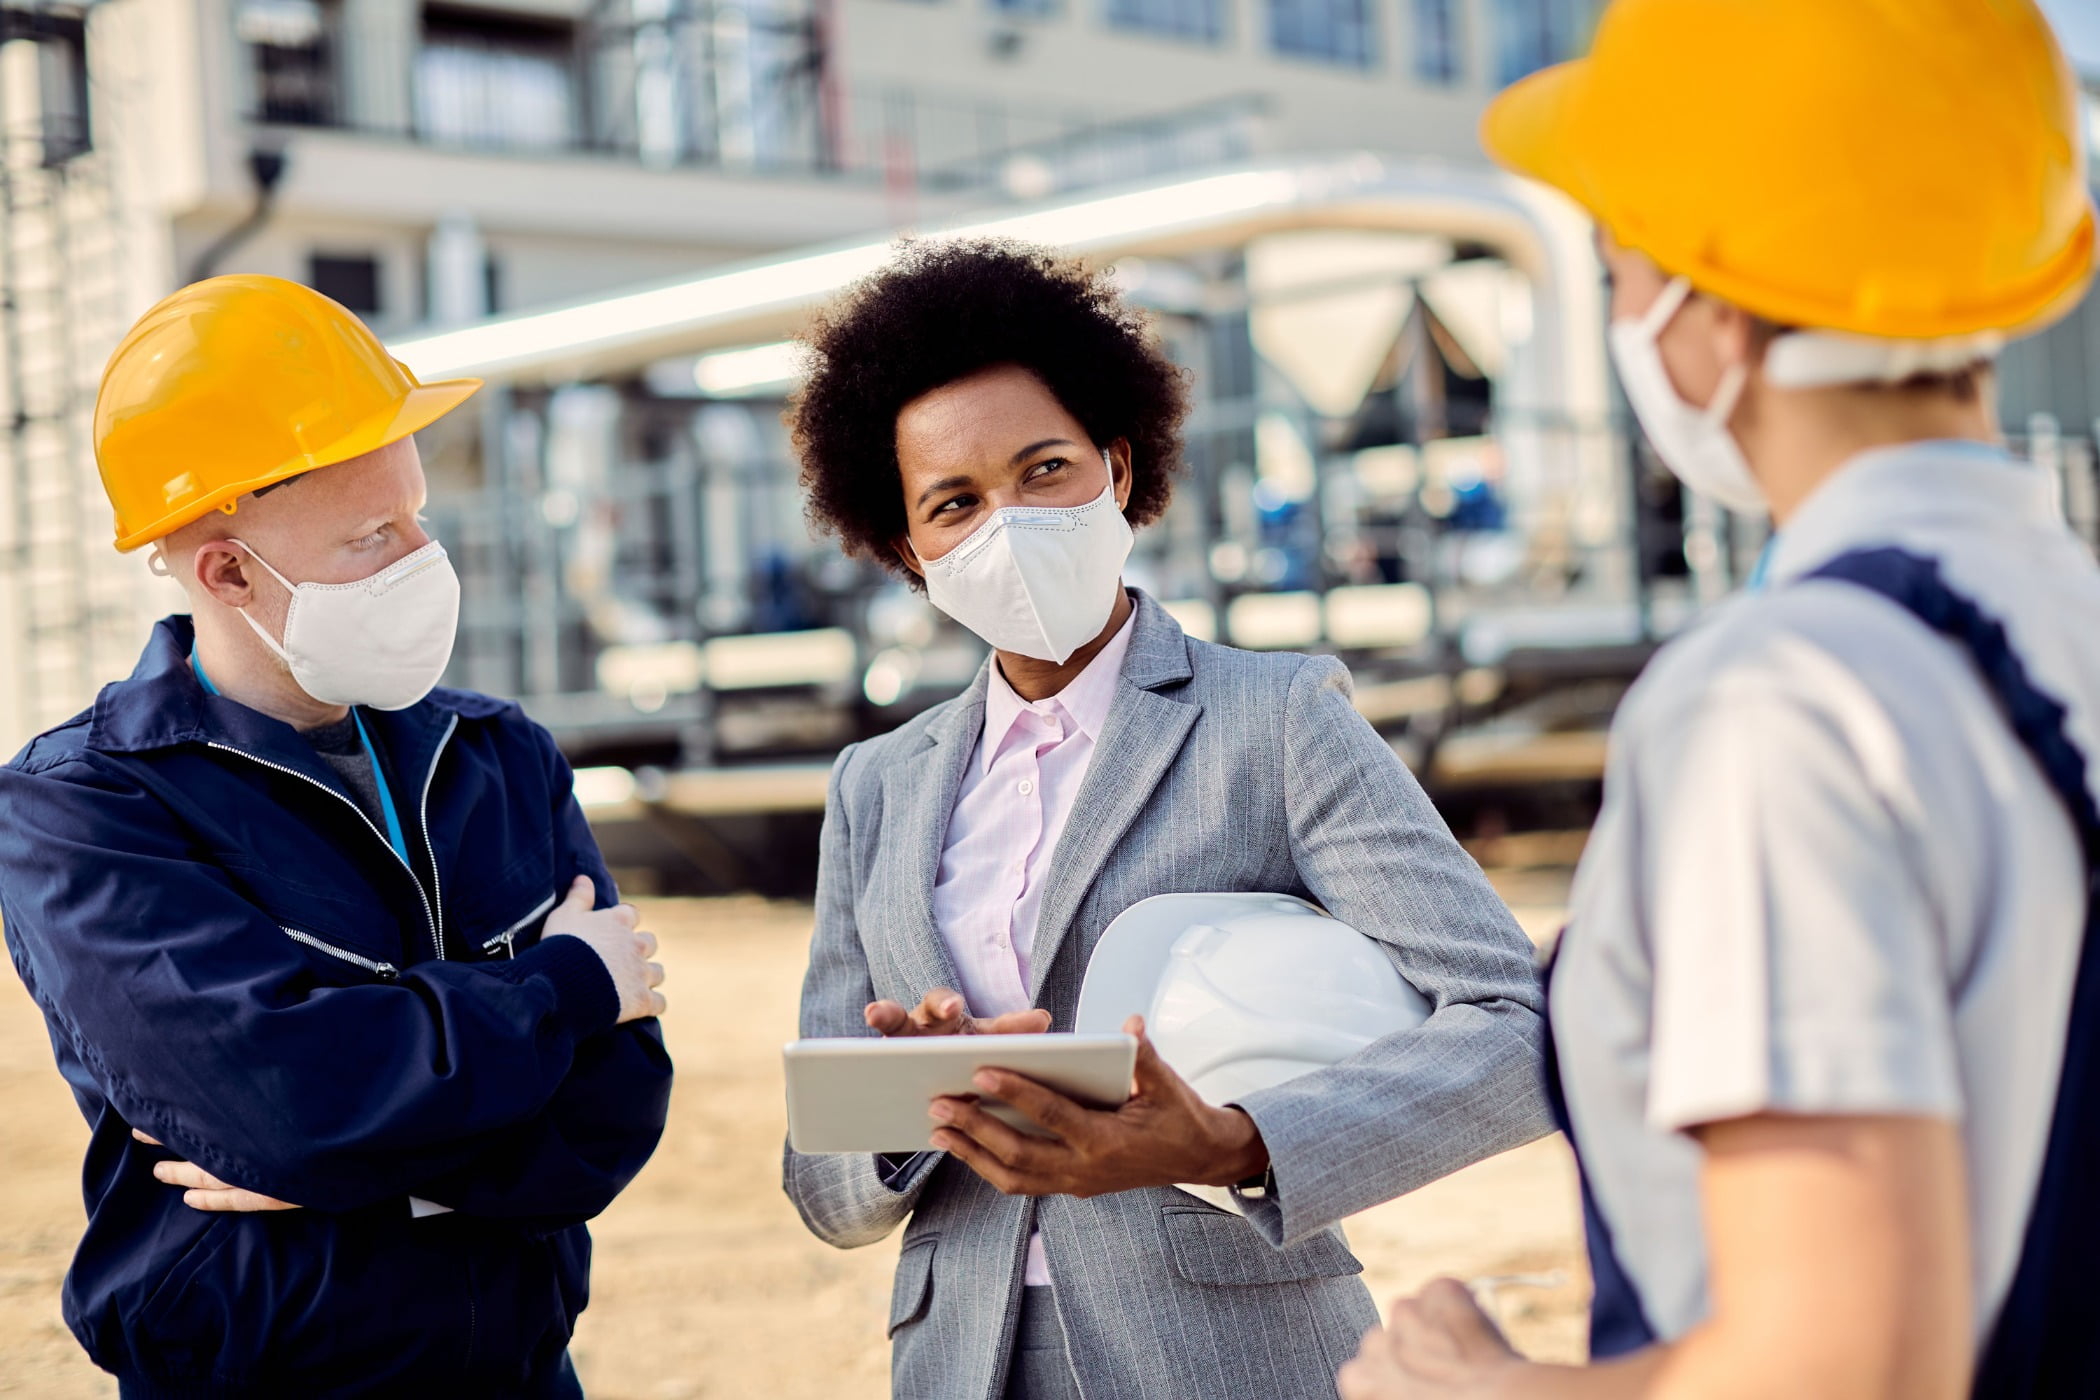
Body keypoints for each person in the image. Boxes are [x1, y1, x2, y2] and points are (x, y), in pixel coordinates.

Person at [1341, 1, 2100, 1396]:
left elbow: (1843, 1368)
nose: (1623, 304)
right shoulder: (2066, 613)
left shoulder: (1781, 706)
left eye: (1622, 257)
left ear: (1713, 303)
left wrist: (1474, 1388)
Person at [780, 240, 1552, 1400]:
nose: (1010, 520)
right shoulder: (877, 785)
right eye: (956, 502)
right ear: (906, 550)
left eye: (1044, 468)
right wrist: (910, 1105)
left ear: (1118, 462)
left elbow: (1517, 1025)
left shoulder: (1276, 718)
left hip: (1226, 1353)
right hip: (961, 1359)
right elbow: (819, 1180)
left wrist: (1238, 1139)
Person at [0, 275, 674, 1399]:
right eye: (372, 535)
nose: (422, 557)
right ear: (225, 569)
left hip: (521, 1371)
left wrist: (360, 1158)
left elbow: (613, 1109)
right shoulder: (84, 808)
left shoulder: (501, 754)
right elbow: (287, 1107)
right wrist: (562, 991)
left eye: (418, 515)